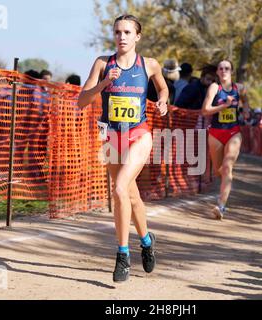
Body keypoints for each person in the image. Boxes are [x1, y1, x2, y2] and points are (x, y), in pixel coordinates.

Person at [77, 14, 169, 282]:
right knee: (130, 196)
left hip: (139, 134)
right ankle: (147, 241)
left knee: (118, 188)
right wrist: (106, 82)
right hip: (111, 137)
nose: (122, 37)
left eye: (128, 32)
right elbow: (82, 101)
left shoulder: (149, 65)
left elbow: (163, 89)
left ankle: (122, 255)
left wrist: (162, 102)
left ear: (137, 36)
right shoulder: (103, 64)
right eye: (118, 32)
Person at [201, 59, 250, 220]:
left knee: (227, 166)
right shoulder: (215, 88)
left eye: (227, 68)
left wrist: (246, 112)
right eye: (221, 68)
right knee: (218, 171)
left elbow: (245, 102)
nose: (224, 71)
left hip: (233, 132)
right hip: (215, 133)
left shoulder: (239, 88)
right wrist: (224, 106)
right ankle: (223, 192)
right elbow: (205, 110)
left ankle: (221, 206)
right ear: (217, 72)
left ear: (232, 71)